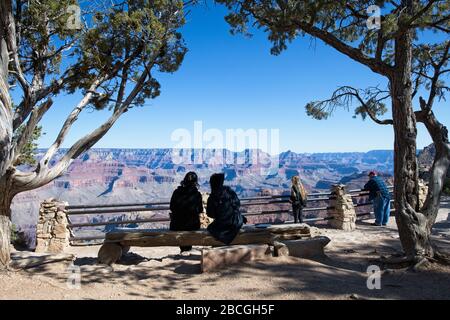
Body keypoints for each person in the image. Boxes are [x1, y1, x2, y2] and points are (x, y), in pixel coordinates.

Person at [206, 173, 247, 245]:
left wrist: (220, 214)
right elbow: (237, 204)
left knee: (211, 228)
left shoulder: (212, 197)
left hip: (222, 224)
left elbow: (210, 214)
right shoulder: (229, 191)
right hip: (236, 222)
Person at [169, 172, 203, 254]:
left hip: (176, 225)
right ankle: (186, 249)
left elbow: (172, 207)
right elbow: (200, 210)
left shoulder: (176, 192)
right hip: (192, 226)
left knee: (182, 225)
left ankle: (184, 249)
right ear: (195, 182)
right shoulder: (197, 194)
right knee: (189, 224)